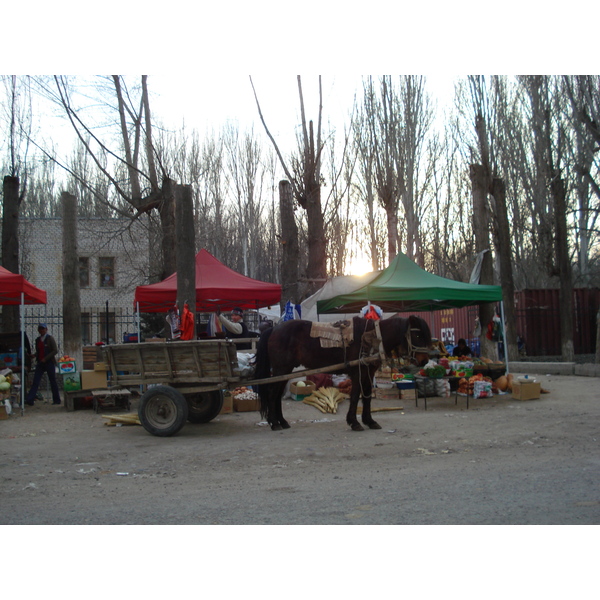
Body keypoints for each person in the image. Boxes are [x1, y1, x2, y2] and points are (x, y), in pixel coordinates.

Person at [25, 323, 61, 406]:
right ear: (38, 330)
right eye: (40, 329)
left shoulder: (50, 338)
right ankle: (30, 400)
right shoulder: (38, 340)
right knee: (36, 381)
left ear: (46, 329)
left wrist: (46, 358)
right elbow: (39, 351)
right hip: (40, 363)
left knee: (53, 381)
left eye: (43, 329)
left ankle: (56, 399)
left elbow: (55, 350)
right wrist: (34, 355)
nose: (41, 330)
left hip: (49, 362)